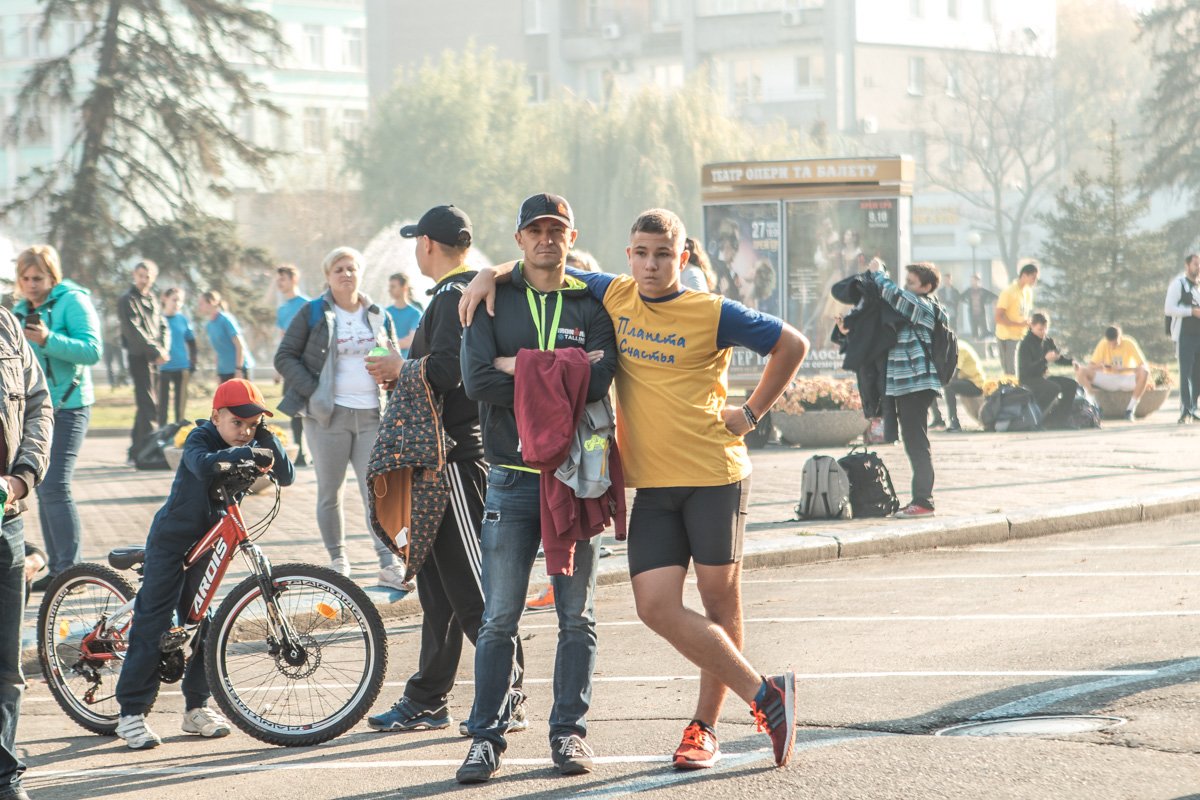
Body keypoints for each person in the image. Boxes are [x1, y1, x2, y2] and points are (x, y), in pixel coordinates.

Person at [460, 206, 809, 772]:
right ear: (629, 256)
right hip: (649, 485)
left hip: (714, 475)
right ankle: (767, 694)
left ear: (684, 258)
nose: (651, 265)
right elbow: (544, 260)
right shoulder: (614, 294)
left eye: (664, 255)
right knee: (655, 607)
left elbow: (791, 343)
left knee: (719, 603)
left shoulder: (711, 311)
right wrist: (486, 274)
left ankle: (705, 728)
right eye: (642, 254)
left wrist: (751, 412)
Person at [456, 194, 618, 784]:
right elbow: (477, 381)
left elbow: (602, 378)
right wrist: (563, 366)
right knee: (499, 618)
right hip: (511, 479)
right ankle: (484, 739)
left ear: (571, 237)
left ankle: (568, 734)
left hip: (574, 480)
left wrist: (518, 367)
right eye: (535, 231)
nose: (546, 239)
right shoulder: (491, 297)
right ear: (520, 239)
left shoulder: (591, 300)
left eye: (557, 230)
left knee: (578, 617)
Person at [364, 204, 528, 738]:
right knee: (438, 591)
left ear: (429, 245)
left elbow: (458, 371)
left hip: (454, 462)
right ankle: (428, 698)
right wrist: (406, 366)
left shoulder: (457, 296)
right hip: (440, 459)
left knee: (474, 591)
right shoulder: (455, 295)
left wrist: (400, 368)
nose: (415, 250)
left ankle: (511, 695)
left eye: (418, 242)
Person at [113, 379, 294, 750]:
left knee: (204, 624)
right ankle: (130, 713)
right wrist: (246, 455)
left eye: (252, 425)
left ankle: (196, 708)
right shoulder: (201, 438)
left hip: (210, 540)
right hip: (172, 540)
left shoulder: (253, 441)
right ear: (216, 416)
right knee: (155, 621)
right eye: (237, 423)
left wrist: (269, 439)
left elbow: (286, 476)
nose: (245, 432)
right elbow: (201, 465)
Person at [274, 246, 408, 589]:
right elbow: (285, 357)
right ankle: (338, 562)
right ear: (328, 276)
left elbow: (391, 357)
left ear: (360, 273)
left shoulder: (378, 314)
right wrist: (315, 389)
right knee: (330, 492)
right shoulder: (313, 312)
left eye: (351, 268)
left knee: (377, 492)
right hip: (327, 419)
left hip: (371, 416)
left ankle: (387, 563)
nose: (346, 274)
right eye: (339, 270)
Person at [13, 245, 102, 592]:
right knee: (42, 485)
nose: (32, 284)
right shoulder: (19, 311)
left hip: (70, 404)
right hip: (37, 411)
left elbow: (92, 350)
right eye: (25, 278)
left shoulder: (73, 301)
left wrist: (49, 339)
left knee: (55, 485)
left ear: (53, 276)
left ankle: (70, 572)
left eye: (38, 278)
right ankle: (58, 568)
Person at [0, 304, 53, 800]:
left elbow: (39, 403)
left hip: (6, 518)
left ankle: (4, 775)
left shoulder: (8, 326)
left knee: (5, 665)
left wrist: (22, 477)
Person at [869, 260, 946, 518]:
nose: (906, 287)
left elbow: (894, 294)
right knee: (913, 442)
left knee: (917, 443)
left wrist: (879, 273)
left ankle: (924, 501)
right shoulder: (912, 305)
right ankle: (921, 500)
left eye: (912, 283)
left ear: (926, 287)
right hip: (907, 384)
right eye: (907, 282)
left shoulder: (921, 306)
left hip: (917, 383)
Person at [117, 260, 169, 465]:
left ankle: (136, 450)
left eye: (147, 276)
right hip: (139, 356)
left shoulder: (153, 299)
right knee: (148, 405)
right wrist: (156, 350)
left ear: (153, 278)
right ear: (134, 275)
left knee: (148, 404)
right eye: (140, 275)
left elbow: (162, 325)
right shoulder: (127, 300)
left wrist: (162, 349)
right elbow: (133, 330)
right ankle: (148, 452)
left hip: (153, 357)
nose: (143, 279)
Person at [1075, 325, 1149, 421]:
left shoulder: (1129, 343)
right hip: (1108, 378)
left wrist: (1124, 369)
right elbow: (1090, 366)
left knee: (1145, 372)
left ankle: (1130, 410)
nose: (1112, 346)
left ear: (1120, 337)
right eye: (1110, 343)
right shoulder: (1103, 343)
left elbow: (1143, 365)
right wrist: (1101, 366)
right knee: (1081, 371)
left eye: (1115, 343)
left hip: (1126, 378)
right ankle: (1094, 407)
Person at [275, 265, 310, 466]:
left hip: (306, 365)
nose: (280, 283)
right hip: (290, 365)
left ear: (294, 280)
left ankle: (314, 450)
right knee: (293, 408)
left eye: (283, 279)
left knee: (310, 409)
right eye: (278, 279)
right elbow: (282, 339)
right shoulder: (281, 309)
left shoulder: (307, 304)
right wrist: (279, 367)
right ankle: (299, 452)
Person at [1017, 312, 1076, 419]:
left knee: (1071, 384)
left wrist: (1071, 362)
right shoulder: (1025, 344)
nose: (1043, 332)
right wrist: (1044, 360)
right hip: (1028, 379)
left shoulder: (1047, 341)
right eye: (1040, 329)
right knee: (1053, 388)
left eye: (1045, 329)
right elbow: (1026, 370)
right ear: (1032, 327)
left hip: (1042, 378)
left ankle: (1061, 420)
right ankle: (1037, 418)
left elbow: (1057, 359)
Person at [1164, 253, 1200, 424]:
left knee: (1197, 374)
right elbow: (1169, 308)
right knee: (1185, 373)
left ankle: (1194, 407)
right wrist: (1190, 311)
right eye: (1195, 264)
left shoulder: (1198, 286)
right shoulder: (1178, 284)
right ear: (1187, 265)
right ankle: (1185, 409)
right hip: (1185, 336)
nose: (1198, 267)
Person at [157, 288, 196, 426]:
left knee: (180, 406)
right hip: (163, 368)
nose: (177, 303)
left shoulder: (183, 320)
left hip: (182, 367)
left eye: (180, 300)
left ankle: (178, 432)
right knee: (162, 404)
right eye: (174, 299)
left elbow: (191, 342)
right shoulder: (157, 319)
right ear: (164, 299)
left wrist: (193, 363)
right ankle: (161, 434)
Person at [197, 291, 253, 383]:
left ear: (212, 302)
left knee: (242, 397)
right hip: (224, 371)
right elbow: (218, 351)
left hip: (238, 368)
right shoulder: (209, 325)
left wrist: (238, 370)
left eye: (201, 303)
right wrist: (218, 373)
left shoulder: (226, 319)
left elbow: (240, 346)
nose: (199, 307)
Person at [994, 263, 1038, 376]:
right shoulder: (1008, 292)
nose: (1035, 280)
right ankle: (1012, 392)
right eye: (1033, 277)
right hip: (1007, 337)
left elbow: (1024, 314)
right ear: (1024, 275)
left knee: (1023, 370)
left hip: (1021, 336)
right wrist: (1019, 324)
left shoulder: (1028, 292)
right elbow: (998, 317)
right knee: (1010, 372)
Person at [943, 340, 986, 432]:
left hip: (976, 384)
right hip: (966, 380)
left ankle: (954, 421)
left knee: (948, 386)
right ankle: (938, 418)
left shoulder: (958, 349)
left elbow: (953, 374)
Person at [385, 273, 423, 357]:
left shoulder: (416, 314)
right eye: (389, 286)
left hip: (406, 365)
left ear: (404, 288)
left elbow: (410, 341)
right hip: (386, 364)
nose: (389, 290)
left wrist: (385, 345)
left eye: (393, 286)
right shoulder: (385, 312)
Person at [965, 274, 997, 340]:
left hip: (981, 314)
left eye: (973, 281)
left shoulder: (983, 291)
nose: (972, 282)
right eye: (971, 281)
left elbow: (994, 296)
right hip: (972, 314)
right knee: (974, 331)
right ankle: (976, 343)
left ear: (978, 281)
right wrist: (967, 302)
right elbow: (961, 297)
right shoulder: (969, 291)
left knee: (984, 331)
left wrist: (987, 302)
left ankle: (984, 344)